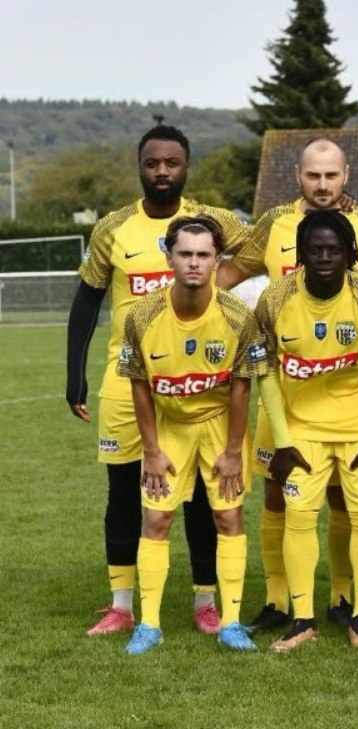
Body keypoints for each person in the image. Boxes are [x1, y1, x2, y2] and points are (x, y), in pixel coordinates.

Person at [67, 124, 248, 637]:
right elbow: (86, 300)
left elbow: (259, 251)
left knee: (198, 496)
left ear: (187, 166)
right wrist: (73, 373)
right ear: (140, 166)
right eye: (153, 163)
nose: (162, 171)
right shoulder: (113, 227)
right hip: (127, 382)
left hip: (195, 381)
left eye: (172, 163)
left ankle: (206, 602)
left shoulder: (210, 222)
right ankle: (122, 604)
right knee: (124, 490)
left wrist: (220, 283)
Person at [218, 136, 358, 633]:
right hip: (287, 396)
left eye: (331, 175)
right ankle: (279, 601)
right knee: (279, 495)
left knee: (344, 496)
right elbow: (234, 271)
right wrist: (192, 300)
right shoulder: (274, 223)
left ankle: (342, 595)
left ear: (346, 175)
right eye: (313, 175)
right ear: (298, 175)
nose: (322, 185)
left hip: (348, 389)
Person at [253, 209, 358, 651]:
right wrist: (281, 442)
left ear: (350, 254)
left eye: (334, 250)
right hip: (300, 428)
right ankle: (302, 620)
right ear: (300, 254)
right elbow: (265, 373)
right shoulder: (275, 298)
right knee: (299, 516)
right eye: (315, 250)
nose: (325, 257)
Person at [116, 216, 267, 653]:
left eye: (204, 255)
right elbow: (139, 386)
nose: (194, 263)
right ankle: (149, 624)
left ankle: (232, 622)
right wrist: (150, 450)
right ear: (169, 257)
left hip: (219, 426)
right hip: (169, 428)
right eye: (185, 254)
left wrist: (235, 451)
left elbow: (241, 389)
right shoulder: (142, 316)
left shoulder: (238, 316)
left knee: (228, 517)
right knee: (157, 518)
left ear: (217, 260)